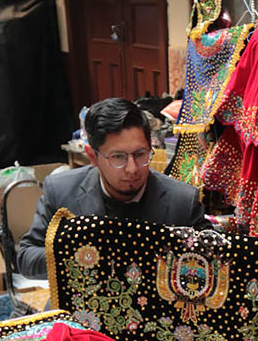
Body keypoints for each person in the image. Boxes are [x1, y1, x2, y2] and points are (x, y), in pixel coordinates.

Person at [16, 97, 207, 279]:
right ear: (93, 157)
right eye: (118, 157)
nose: (132, 168)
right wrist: (78, 254)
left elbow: (212, 261)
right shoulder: (61, 192)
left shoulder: (183, 201)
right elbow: (26, 257)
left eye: (140, 154)